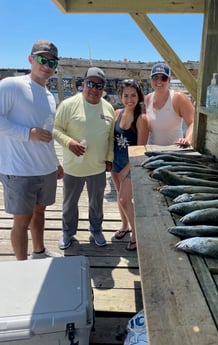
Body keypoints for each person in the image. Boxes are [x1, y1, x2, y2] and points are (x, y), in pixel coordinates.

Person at [0, 39, 64, 260]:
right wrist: (28, 133)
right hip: (19, 170)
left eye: (52, 62)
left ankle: (39, 252)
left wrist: (55, 162)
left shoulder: (49, 96)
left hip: (45, 168)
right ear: (31, 59)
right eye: (42, 59)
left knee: (40, 211)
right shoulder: (12, 85)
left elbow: (47, 133)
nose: (47, 66)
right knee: (21, 220)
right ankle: (21, 264)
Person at [54, 67, 115, 249]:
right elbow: (56, 129)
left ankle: (96, 229)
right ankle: (68, 232)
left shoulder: (109, 108)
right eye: (90, 83)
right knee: (69, 203)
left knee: (96, 203)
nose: (94, 89)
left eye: (99, 85)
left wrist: (109, 158)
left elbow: (110, 137)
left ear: (103, 88)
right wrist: (69, 142)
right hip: (73, 167)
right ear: (83, 84)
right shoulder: (68, 104)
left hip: (97, 167)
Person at [111, 79, 149, 251]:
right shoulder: (116, 113)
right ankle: (124, 225)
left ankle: (136, 233)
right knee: (120, 197)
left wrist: (126, 169)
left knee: (124, 199)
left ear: (139, 96)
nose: (129, 99)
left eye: (133, 95)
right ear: (120, 96)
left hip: (131, 163)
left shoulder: (141, 119)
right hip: (116, 161)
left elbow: (140, 149)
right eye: (126, 95)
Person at [145, 62, 194, 146]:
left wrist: (187, 139)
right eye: (155, 77)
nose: (159, 81)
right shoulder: (147, 99)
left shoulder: (178, 98)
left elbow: (193, 123)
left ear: (169, 80)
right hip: (152, 152)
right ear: (151, 80)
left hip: (173, 152)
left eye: (163, 78)